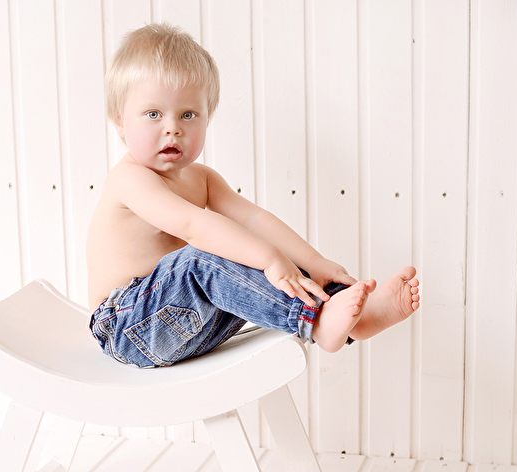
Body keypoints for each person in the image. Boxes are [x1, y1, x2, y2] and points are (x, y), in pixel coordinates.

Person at [86, 23, 419, 368]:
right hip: (127, 328)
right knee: (215, 253)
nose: (173, 128)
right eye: (153, 114)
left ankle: (349, 315)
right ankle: (316, 322)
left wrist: (315, 263)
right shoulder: (130, 179)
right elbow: (193, 226)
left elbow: (254, 220)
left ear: (207, 118)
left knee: (259, 247)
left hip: (192, 324)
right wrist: (270, 259)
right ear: (120, 120)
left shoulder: (203, 178)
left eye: (188, 114)